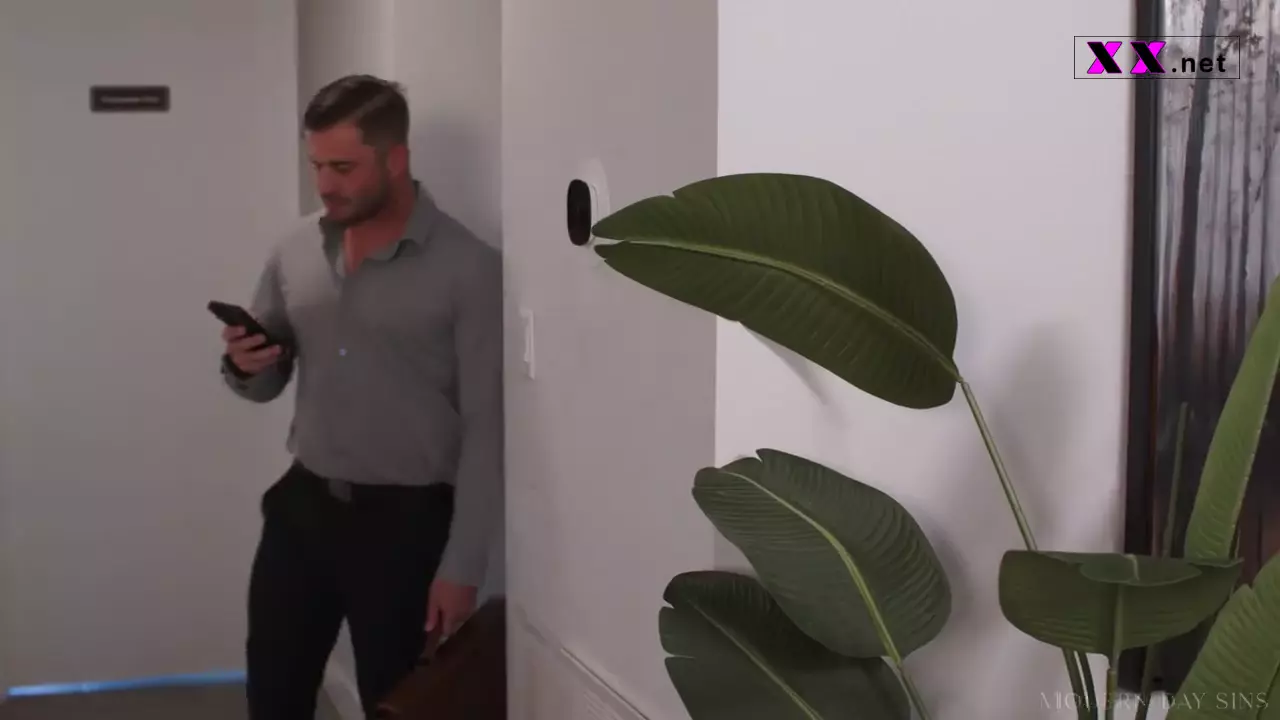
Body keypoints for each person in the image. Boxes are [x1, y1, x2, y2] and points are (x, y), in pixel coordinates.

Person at [219, 74, 503, 719]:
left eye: (343, 167)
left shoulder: (470, 268)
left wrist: (463, 566)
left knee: (396, 703)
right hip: (302, 509)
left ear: (395, 159)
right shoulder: (293, 250)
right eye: (316, 165)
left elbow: (488, 429)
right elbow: (265, 380)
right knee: (273, 696)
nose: (325, 184)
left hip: (407, 527)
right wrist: (244, 365)